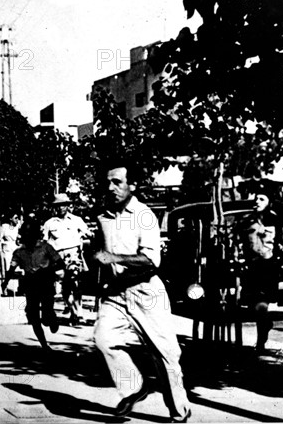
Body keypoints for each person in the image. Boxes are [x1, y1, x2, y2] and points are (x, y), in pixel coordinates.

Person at [92, 162, 191, 422]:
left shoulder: (144, 215)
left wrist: (113, 257)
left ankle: (179, 410)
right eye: (108, 182)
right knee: (104, 339)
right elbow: (101, 253)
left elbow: (151, 260)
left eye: (118, 182)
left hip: (146, 292)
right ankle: (134, 387)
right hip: (116, 294)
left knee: (164, 352)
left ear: (132, 185)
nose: (111, 187)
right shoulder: (103, 215)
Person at [3, 219, 64, 352]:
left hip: (46, 284)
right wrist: (6, 281)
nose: (28, 237)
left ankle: (52, 319)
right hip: (31, 286)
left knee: (47, 315)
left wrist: (52, 271)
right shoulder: (19, 252)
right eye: (26, 234)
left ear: (37, 234)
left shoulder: (46, 247)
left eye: (31, 234)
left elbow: (59, 262)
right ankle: (44, 345)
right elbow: (11, 268)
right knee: (33, 315)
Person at [238, 189, 281, 353]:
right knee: (252, 305)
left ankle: (260, 342)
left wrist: (276, 259)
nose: (257, 202)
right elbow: (240, 239)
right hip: (251, 267)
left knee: (261, 305)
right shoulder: (247, 221)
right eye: (256, 199)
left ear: (268, 202)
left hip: (267, 266)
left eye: (261, 199)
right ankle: (264, 325)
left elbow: (280, 241)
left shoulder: (274, 219)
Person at [43, 193, 91, 325]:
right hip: (58, 257)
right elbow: (44, 243)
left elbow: (88, 234)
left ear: (68, 206)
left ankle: (79, 311)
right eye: (58, 206)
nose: (60, 209)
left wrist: (88, 237)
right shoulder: (49, 223)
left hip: (74, 255)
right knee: (65, 286)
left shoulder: (76, 220)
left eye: (63, 206)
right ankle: (73, 312)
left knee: (76, 284)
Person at [0, 212, 23, 293]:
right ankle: (6, 287)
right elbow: (0, 239)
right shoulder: (4, 227)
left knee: (19, 269)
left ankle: (19, 288)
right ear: (10, 218)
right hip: (7, 250)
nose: (17, 220)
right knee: (9, 269)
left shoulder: (18, 227)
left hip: (16, 249)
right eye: (15, 218)